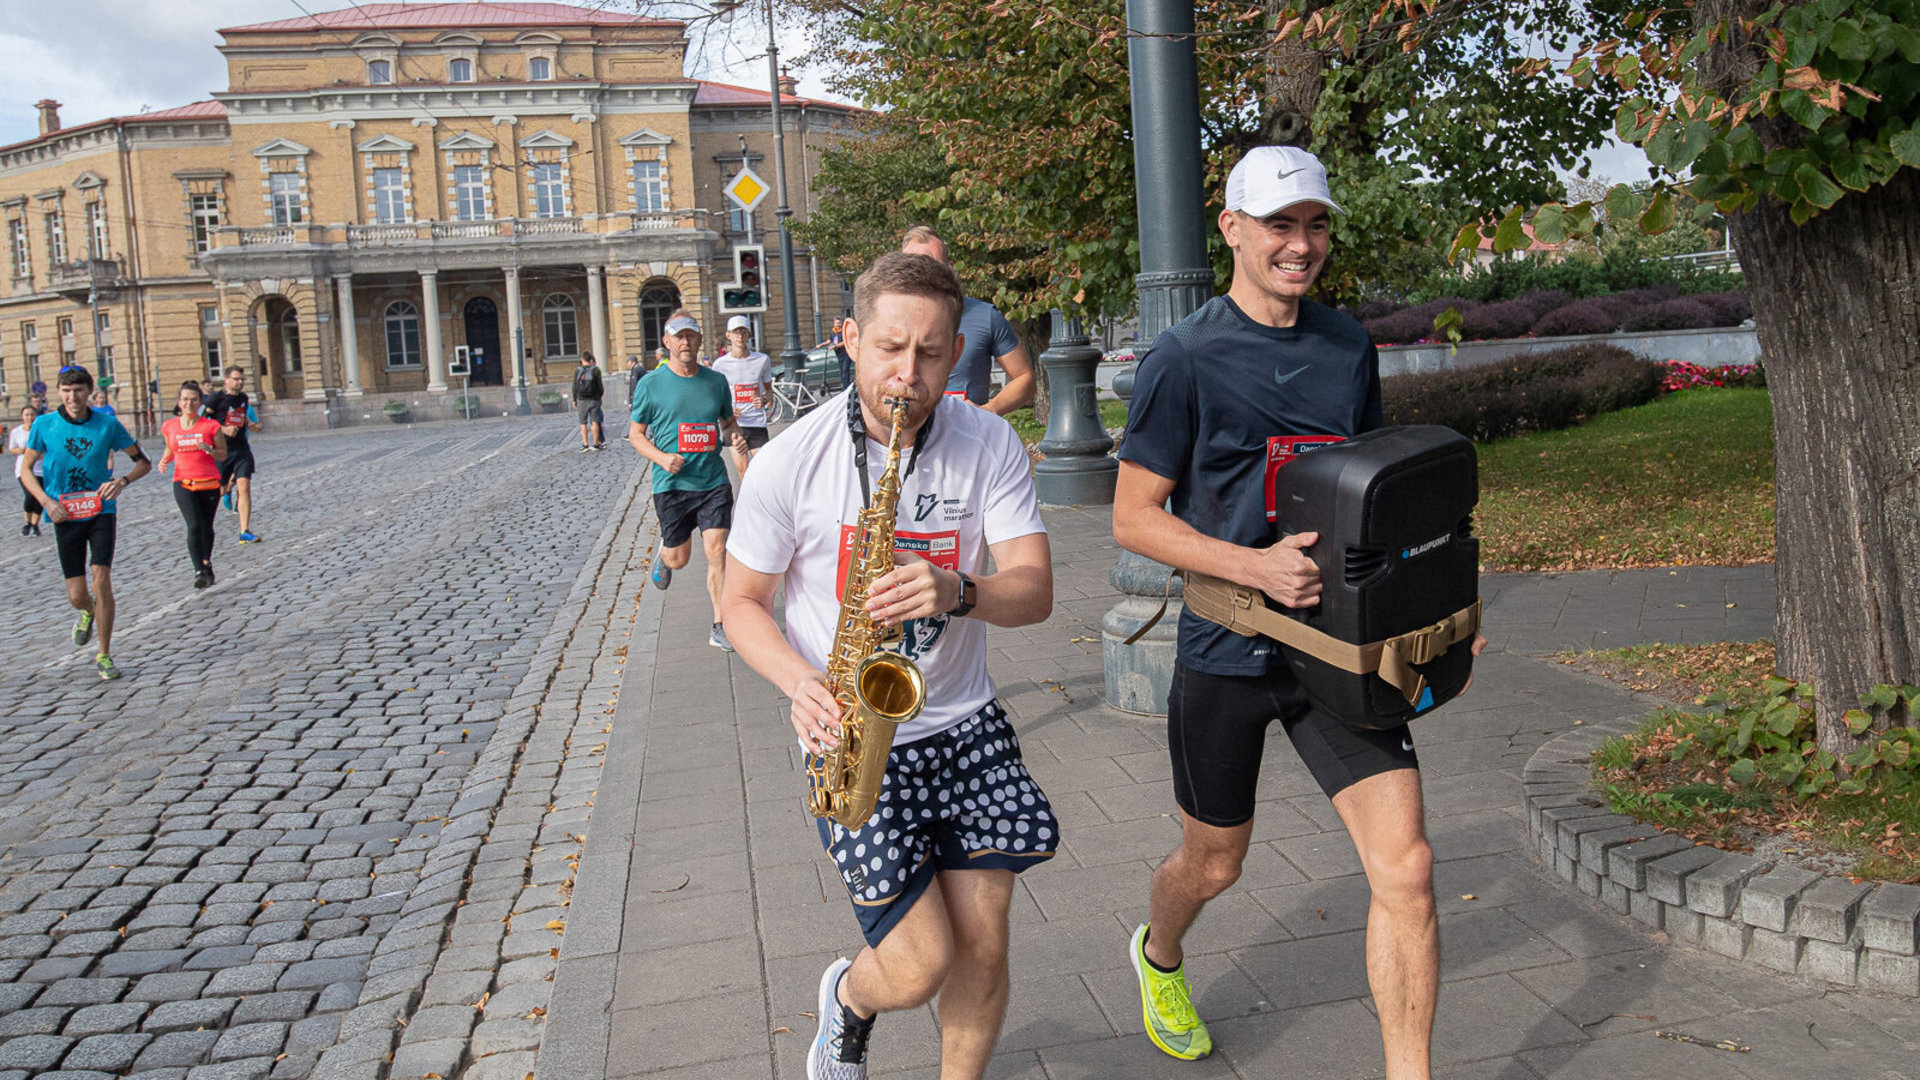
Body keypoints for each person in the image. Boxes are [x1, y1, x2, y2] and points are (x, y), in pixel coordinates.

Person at [1111, 146, 1487, 1072]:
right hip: (1228, 646)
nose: (1301, 244)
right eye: (1280, 225)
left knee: (1408, 867)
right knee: (1214, 864)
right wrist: (1254, 566)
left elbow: (1366, 492)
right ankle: (1159, 955)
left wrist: (1423, 595)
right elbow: (1131, 518)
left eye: (1315, 224)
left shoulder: (1344, 344)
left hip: (1339, 650)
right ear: (1233, 230)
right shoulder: (1184, 357)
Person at [721, 252, 1057, 1080]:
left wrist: (960, 590)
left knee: (982, 943)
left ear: (957, 352)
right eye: (889, 349)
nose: (908, 375)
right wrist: (800, 681)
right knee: (917, 965)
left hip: (966, 724)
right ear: (851, 341)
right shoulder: (788, 462)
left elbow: (1036, 592)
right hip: (852, 734)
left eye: (932, 353)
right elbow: (739, 603)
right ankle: (850, 1002)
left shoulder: (989, 443)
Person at [20, 365, 151, 680]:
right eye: (66, 391)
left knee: (101, 579)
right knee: (77, 595)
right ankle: (87, 610)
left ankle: (104, 654)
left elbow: (143, 462)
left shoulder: (107, 424)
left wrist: (121, 481)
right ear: (59, 393)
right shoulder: (44, 424)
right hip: (64, 513)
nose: (72, 396)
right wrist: (47, 503)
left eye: (77, 390)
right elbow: (25, 470)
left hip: (101, 511)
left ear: (89, 392)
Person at [628, 311, 749, 651]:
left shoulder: (715, 381)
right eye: (677, 337)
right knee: (679, 558)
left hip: (712, 481)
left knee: (718, 550)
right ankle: (665, 555)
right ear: (667, 343)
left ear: (699, 340)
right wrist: (662, 457)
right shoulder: (651, 384)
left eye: (690, 336)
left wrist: (735, 438)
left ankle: (720, 624)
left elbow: (727, 424)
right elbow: (635, 435)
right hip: (672, 485)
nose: (685, 342)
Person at [897, 226, 1035, 416]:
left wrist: (988, 411)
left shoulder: (985, 316)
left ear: (950, 268)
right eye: (914, 266)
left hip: (968, 438)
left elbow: (1025, 378)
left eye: (932, 265)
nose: (923, 273)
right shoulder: (888, 319)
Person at [158, 381, 228, 589]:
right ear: (179, 402)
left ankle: (207, 565)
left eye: (193, 399)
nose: (189, 403)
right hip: (183, 482)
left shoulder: (211, 426)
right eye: (185, 399)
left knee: (206, 527)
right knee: (194, 525)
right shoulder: (169, 426)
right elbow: (170, 448)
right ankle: (198, 569)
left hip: (208, 483)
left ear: (200, 402)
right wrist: (164, 460)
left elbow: (223, 454)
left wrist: (210, 450)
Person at [202, 365, 261, 543]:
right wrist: (223, 429)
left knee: (244, 486)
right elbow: (204, 421)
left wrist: (250, 424)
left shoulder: (243, 398)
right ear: (226, 380)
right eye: (236, 379)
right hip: (221, 450)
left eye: (242, 379)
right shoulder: (215, 398)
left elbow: (241, 417)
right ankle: (204, 526)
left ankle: (244, 530)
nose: (240, 382)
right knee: (218, 491)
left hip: (241, 448)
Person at [710, 314, 775, 477]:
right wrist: (727, 410)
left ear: (749, 335)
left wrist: (764, 400)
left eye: (743, 332)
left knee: (763, 469)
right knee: (743, 470)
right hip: (733, 424)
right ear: (728, 335)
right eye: (735, 332)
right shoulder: (720, 365)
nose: (739, 336)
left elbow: (769, 391)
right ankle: (747, 502)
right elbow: (714, 397)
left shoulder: (762, 360)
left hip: (756, 423)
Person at [10, 406, 41, 537]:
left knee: (39, 497)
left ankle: (35, 525)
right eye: (27, 415)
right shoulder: (16, 432)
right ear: (22, 416)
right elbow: (12, 449)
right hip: (22, 469)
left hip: (40, 469)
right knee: (29, 495)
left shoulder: (40, 431)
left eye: (32, 415)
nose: (29, 417)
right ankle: (27, 522)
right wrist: (22, 450)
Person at [573, 352, 607, 452]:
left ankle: (585, 444)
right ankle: (596, 443)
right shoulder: (596, 370)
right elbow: (600, 386)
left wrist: (574, 399)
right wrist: (599, 397)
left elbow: (574, 387)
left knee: (583, 422)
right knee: (594, 421)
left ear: (583, 359)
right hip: (594, 399)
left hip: (581, 399)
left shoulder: (577, 370)